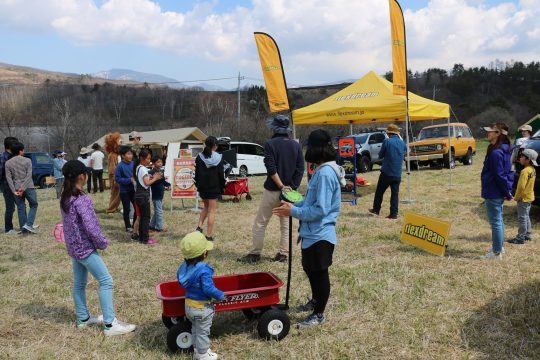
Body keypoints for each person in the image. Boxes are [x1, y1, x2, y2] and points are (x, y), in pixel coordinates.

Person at [273, 129, 344, 328]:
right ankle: (315, 300)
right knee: (310, 269)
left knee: (319, 273)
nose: (307, 150)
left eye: (310, 146)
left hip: (320, 234)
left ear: (317, 149)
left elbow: (320, 209)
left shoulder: (325, 174)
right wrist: (295, 203)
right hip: (312, 233)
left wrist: (294, 212)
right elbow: (311, 201)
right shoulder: (322, 170)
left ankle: (318, 314)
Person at [60, 160, 136, 336]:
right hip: (85, 249)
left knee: (79, 283)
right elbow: (91, 227)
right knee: (106, 281)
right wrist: (102, 243)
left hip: (74, 249)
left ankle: (83, 318)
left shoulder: (65, 196)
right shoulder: (81, 199)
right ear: (82, 176)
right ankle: (110, 325)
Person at [238, 115, 304, 263]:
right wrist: (290, 188)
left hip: (272, 190)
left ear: (274, 127)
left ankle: (255, 254)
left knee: (261, 222)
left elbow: (271, 168)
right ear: (287, 129)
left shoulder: (270, 144)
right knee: (285, 224)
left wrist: (280, 186)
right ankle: (283, 254)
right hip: (289, 193)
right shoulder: (296, 145)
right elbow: (300, 169)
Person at [177, 231, 224, 360]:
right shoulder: (203, 270)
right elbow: (209, 288)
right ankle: (203, 355)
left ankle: (197, 350)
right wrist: (220, 295)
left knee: (195, 329)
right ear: (204, 253)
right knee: (203, 331)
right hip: (202, 308)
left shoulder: (184, 268)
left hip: (189, 306)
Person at [480, 123, 514, 260]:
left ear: (498, 134)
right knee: (499, 220)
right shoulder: (503, 149)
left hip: (494, 191)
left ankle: (496, 252)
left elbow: (499, 175)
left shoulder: (496, 153)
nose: (488, 133)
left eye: (491, 131)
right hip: (497, 190)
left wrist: (507, 192)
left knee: (496, 222)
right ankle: (499, 246)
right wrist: (506, 191)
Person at [369, 124, 407, 219]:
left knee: (379, 191)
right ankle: (394, 214)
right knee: (395, 194)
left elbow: (381, 155)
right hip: (397, 173)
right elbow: (405, 152)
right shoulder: (402, 143)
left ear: (389, 133)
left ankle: (376, 210)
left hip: (386, 172)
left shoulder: (387, 141)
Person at [194, 136, 225, 241]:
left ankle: (199, 227)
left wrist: (198, 185)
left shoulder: (199, 157)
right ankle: (209, 235)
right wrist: (223, 186)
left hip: (203, 187)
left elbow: (196, 174)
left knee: (205, 208)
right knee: (212, 211)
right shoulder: (219, 157)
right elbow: (221, 174)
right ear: (215, 145)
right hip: (214, 187)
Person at [4, 141, 39, 234]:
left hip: (16, 188)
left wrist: (13, 191)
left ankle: (24, 228)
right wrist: (23, 188)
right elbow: (29, 175)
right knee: (34, 204)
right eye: (23, 150)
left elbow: (9, 179)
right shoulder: (27, 160)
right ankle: (29, 225)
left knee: (21, 207)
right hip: (28, 186)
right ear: (20, 151)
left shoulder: (8, 163)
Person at [508, 148, 537, 245]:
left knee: (522, 218)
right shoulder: (532, 169)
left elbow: (520, 187)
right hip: (529, 197)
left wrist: (516, 197)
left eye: (522, 156)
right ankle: (527, 234)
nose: (520, 158)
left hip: (523, 198)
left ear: (528, 159)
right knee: (526, 216)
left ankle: (520, 238)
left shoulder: (525, 171)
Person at [134, 149, 162, 245]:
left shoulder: (138, 168)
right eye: (148, 159)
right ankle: (145, 239)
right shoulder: (143, 169)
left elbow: (143, 180)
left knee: (142, 218)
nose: (149, 161)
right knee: (146, 218)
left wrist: (151, 177)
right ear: (142, 158)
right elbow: (147, 183)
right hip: (143, 196)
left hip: (138, 195)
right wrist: (155, 178)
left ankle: (142, 238)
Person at [115, 146, 137, 235]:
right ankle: (128, 226)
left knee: (136, 208)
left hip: (134, 190)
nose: (130, 155)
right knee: (127, 209)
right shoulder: (119, 166)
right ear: (123, 156)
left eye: (131, 153)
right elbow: (117, 179)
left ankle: (135, 224)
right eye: (128, 154)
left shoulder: (133, 164)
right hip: (124, 191)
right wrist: (129, 180)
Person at [0, 136, 19, 234]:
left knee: (21, 205)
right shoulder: (3, 157)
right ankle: (8, 228)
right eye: (15, 144)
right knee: (10, 207)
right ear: (9, 146)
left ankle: (26, 224)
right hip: (7, 186)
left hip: (16, 185)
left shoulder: (15, 156)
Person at [149, 155, 170, 232]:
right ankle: (159, 227)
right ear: (153, 163)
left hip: (160, 194)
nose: (160, 163)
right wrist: (156, 178)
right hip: (155, 194)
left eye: (161, 161)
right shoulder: (151, 172)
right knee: (159, 211)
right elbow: (151, 182)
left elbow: (163, 181)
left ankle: (151, 225)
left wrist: (168, 185)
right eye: (158, 162)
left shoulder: (161, 171)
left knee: (157, 211)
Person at [104, 132, 122, 214]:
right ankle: (111, 209)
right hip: (115, 177)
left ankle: (113, 208)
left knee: (118, 193)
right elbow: (112, 169)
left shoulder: (117, 154)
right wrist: (115, 177)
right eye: (119, 142)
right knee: (115, 193)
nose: (121, 143)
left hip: (119, 176)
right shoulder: (112, 155)